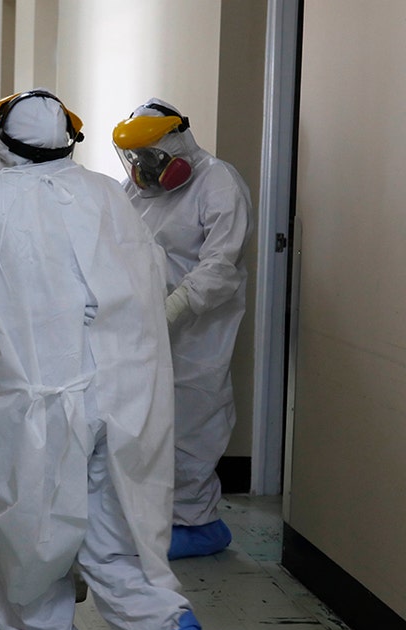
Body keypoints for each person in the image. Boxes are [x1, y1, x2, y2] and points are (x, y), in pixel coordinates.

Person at [0, 89, 245, 630]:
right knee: (117, 535)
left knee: (34, 535)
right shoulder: (112, 197)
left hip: (36, 409)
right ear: (69, 141)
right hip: (125, 400)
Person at [113, 98, 252, 560]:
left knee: (194, 416)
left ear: (177, 142)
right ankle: (154, 516)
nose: (144, 167)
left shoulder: (217, 182)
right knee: (144, 421)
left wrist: (175, 306)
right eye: (137, 158)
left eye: (152, 155)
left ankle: (198, 523)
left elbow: (222, 263)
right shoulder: (135, 190)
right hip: (140, 324)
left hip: (198, 330)